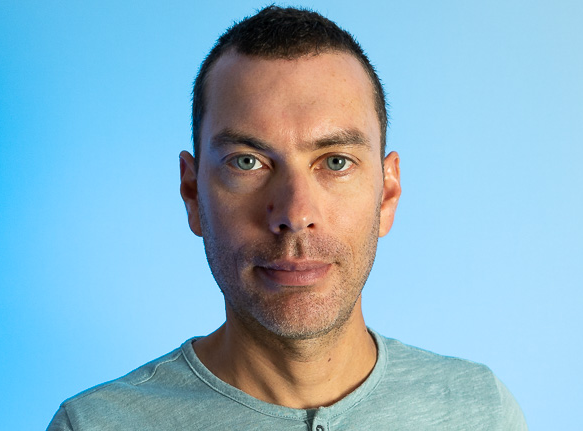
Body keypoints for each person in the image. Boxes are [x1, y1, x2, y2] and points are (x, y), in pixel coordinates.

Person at [47, 6, 527, 430]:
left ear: (387, 194)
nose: (296, 215)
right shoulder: (95, 426)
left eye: (335, 161)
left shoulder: (480, 412)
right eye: (247, 162)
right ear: (192, 193)